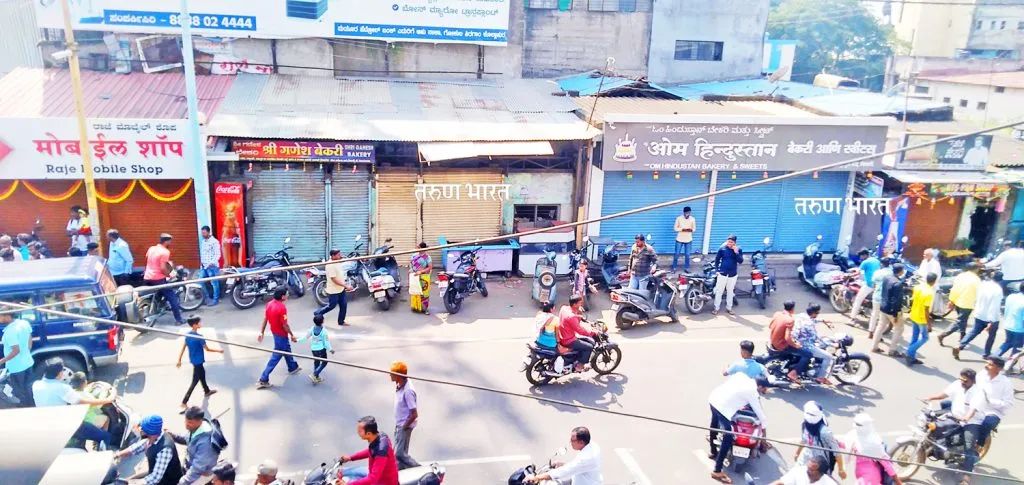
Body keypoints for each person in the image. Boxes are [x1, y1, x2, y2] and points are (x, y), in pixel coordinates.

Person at [32, 358, 115, 448]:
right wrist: (109, 399)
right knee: (105, 436)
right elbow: (82, 402)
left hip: (47, 425)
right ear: (59, 374)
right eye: (62, 371)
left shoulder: (36, 385)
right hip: (68, 425)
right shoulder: (62, 388)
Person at [708, 374, 769, 484]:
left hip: (714, 398)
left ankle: (713, 451)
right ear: (760, 387)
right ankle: (717, 471)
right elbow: (760, 413)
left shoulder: (741, 376)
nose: (766, 391)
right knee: (728, 437)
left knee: (714, 423)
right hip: (722, 408)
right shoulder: (752, 392)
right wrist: (764, 434)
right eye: (765, 389)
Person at [113, 415, 184, 485]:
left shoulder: (165, 449)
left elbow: (155, 478)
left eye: (142, 428)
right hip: (154, 474)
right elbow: (136, 448)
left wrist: (134, 483)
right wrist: (117, 455)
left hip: (167, 481)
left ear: (149, 432)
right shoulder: (153, 437)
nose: (139, 429)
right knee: (126, 481)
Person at [971, 357, 1014, 466]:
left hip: (993, 411)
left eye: (990, 365)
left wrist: (990, 401)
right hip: (975, 406)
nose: (986, 366)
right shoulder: (981, 375)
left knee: (987, 424)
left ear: (999, 368)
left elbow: (1008, 404)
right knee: (947, 406)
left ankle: (978, 447)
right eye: (987, 363)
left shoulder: (1006, 383)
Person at [524, 427, 602, 485]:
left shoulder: (587, 458)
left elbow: (562, 472)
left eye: (572, 440)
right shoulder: (592, 445)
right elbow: (576, 466)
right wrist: (562, 464)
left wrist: (536, 478)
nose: (570, 442)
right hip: (580, 478)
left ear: (581, 442)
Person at [257, 288, 301, 389]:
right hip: (281, 335)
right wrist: (292, 335)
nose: (288, 295)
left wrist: (261, 332)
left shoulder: (269, 304)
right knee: (276, 357)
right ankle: (263, 379)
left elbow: (266, 318)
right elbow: (285, 325)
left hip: (275, 333)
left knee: (287, 349)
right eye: (286, 294)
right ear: (282, 297)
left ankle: (293, 367)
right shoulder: (282, 308)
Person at [841, 413, 902, 485]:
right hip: (861, 473)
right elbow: (847, 445)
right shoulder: (855, 436)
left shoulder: (873, 444)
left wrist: (897, 481)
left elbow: (886, 463)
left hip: (870, 477)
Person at [177, 316, 221, 412]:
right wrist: (219, 351)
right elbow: (207, 349)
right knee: (195, 381)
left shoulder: (188, 335)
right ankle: (184, 402)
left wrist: (179, 359)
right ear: (195, 325)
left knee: (202, 375)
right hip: (199, 361)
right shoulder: (199, 337)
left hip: (194, 361)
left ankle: (207, 391)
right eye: (199, 322)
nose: (201, 323)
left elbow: (184, 347)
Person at [955, 272, 1003, 360]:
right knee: (991, 336)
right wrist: (991, 321)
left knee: (974, 331)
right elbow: (994, 306)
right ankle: (986, 353)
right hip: (991, 317)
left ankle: (960, 345)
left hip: (979, 313)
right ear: (1000, 280)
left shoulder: (983, 285)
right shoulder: (998, 290)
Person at [339, 416, 400, 485]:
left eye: (359, 431)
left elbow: (373, 479)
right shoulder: (378, 436)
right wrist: (350, 458)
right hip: (375, 474)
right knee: (347, 472)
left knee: (352, 479)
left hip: (384, 482)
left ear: (368, 434)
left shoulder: (381, 451)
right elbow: (370, 451)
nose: (357, 432)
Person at [170, 406, 222, 485]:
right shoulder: (196, 429)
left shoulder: (206, 444)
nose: (186, 425)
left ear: (199, 421)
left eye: (190, 422)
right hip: (192, 463)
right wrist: (173, 435)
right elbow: (187, 439)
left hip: (202, 473)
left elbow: (197, 468)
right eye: (186, 421)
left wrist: (183, 482)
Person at [793, 401, 846, 480]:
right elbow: (804, 440)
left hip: (819, 464)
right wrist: (797, 453)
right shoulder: (805, 424)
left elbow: (836, 451)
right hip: (805, 459)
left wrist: (841, 470)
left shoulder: (825, 432)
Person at [144, 234, 184, 325]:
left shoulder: (151, 249)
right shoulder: (165, 252)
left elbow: (153, 261)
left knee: (160, 292)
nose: (170, 243)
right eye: (170, 241)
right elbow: (162, 268)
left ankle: (159, 306)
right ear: (166, 242)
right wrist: (169, 275)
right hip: (157, 279)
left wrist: (170, 269)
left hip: (147, 277)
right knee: (173, 298)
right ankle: (179, 320)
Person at [769, 300, 811, 382]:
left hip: (773, 341)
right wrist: (796, 345)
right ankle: (793, 374)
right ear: (793, 309)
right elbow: (787, 338)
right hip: (781, 345)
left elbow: (770, 326)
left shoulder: (777, 314)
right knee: (808, 354)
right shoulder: (790, 320)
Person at [389, 361, 421, 470]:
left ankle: (420, 469)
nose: (390, 375)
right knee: (399, 453)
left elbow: (414, 414)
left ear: (399, 376)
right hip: (399, 423)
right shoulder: (400, 383)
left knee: (399, 453)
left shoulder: (408, 392)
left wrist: (404, 427)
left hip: (404, 425)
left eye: (392, 373)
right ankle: (400, 470)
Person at [940, 263, 981, 347]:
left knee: (963, 321)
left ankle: (962, 337)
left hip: (957, 301)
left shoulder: (960, 276)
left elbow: (954, 289)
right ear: (976, 269)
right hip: (967, 303)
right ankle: (943, 335)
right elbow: (979, 293)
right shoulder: (977, 279)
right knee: (960, 321)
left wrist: (951, 300)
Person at [872, 263, 908, 357]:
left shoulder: (886, 278)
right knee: (899, 329)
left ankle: (874, 346)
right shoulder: (898, 284)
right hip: (892, 310)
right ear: (901, 272)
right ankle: (892, 350)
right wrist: (896, 314)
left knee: (880, 326)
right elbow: (896, 301)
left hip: (883, 306)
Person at [0, 311, 34, 407]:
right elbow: (30, 338)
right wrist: (27, 351)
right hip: (28, 363)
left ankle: (24, 410)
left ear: (7, 316)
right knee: (29, 389)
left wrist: (1, 361)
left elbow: (16, 350)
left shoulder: (10, 332)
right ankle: (32, 406)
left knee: (19, 393)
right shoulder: (24, 323)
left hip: (16, 368)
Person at [794, 304, 834, 385]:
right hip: (806, 345)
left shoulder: (801, 316)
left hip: (797, 340)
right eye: (817, 313)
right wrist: (831, 344)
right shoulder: (809, 324)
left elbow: (813, 320)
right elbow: (815, 337)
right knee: (829, 357)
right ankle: (821, 377)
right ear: (813, 313)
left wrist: (823, 321)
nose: (817, 314)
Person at [557, 295, 596, 372]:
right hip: (568, 340)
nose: (581, 304)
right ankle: (580, 366)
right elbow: (580, 330)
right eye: (580, 303)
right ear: (574, 304)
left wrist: (578, 314)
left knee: (587, 341)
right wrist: (593, 332)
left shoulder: (564, 308)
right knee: (589, 347)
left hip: (563, 334)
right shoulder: (571, 317)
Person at [315, 249, 355, 326]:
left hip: (341, 289)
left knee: (343, 305)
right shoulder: (330, 265)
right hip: (334, 291)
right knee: (332, 306)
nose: (340, 256)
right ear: (333, 256)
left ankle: (341, 321)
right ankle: (318, 312)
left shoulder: (337, 261)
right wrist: (346, 286)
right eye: (338, 255)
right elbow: (334, 280)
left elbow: (344, 259)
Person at [905, 272, 937, 366]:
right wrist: (929, 324)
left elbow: (913, 299)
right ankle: (909, 352)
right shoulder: (929, 293)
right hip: (921, 318)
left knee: (914, 337)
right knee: (925, 338)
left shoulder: (918, 287)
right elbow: (926, 310)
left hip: (914, 314)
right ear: (934, 281)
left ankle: (911, 357)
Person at [297, 314, 335, 384]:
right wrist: (330, 349)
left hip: (314, 350)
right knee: (324, 362)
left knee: (316, 362)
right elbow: (326, 342)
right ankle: (314, 374)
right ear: (323, 321)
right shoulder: (324, 331)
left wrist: (297, 340)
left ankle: (316, 377)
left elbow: (305, 337)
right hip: (321, 350)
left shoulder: (312, 329)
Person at [713, 235, 744, 316]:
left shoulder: (738, 249)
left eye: (731, 242)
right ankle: (716, 308)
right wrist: (716, 270)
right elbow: (717, 259)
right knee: (719, 291)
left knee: (730, 292)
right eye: (728, 242)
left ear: (735, 243)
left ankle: (729, 308)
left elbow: (740, 261)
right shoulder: (722, 249)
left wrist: (736, 252)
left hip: (732, 274)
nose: (729, 243)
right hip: (722, 273)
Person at [849, 249, 880, 321]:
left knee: (858, 300)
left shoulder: (865, 262)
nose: (860, 258)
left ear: (864, 255)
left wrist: (849, 275)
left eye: (860, 256)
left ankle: (852, 318)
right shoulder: (876, 260)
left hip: (869, 284)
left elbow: (857, 272)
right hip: (877, 284)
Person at [867, 257, 893, 340]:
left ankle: (871, 332)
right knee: (883, 318)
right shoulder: (891, 272)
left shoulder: (877, 272)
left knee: (874, 314)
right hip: (886, 298)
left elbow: (874, 284)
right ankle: (879, 335)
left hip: (877, 296)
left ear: (881, 264)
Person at [770, 455, 839, 485]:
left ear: (820, 472)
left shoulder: (829, 483)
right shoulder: (799, 471)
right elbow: (781, 483)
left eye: (811, 470)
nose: (807, 471)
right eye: (808, 468)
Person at [995, 286, 1024, 358]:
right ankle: (1009, 363)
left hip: (1008, 325)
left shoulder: (1011, 296)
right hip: (1019, 329)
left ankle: (994, 357)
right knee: (1017, 349)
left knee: (1008, 343)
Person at [199, 226, 222, 306]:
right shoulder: (203, 241)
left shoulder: (214, 242)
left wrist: (211, 263)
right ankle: (207, 298)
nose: (202, 234)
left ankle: (216, 299)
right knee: (200, 282)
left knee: (214, 284)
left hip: (212, 267)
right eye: (202, 233)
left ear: (208, 232)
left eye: (204, 233)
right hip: (204, 266)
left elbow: (218, 254)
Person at [410, 242, 432, 314]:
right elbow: (411, 263)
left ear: (423, 248)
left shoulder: (427, 257)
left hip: (424, 276)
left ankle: (425, 309)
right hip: (414, 276)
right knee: (415, 291)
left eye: (418, 247)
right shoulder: (414, 255)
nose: (417, 248)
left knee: (424, 293)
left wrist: (421, 271)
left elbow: (430, 267)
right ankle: (415, 307)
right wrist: (411, 269)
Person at [672, 206, 696, 272]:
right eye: (687, 213)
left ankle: (686, 268)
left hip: (688, 239)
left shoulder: (692, 219)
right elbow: (675, 228)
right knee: (677, 254)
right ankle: (674, 267)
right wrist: (683, 229)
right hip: (679, 239)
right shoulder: (679, 219)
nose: (688, 214)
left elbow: (694, 229)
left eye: (689, 212)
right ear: (684, 212)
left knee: (687, 255)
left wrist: (690, 230)